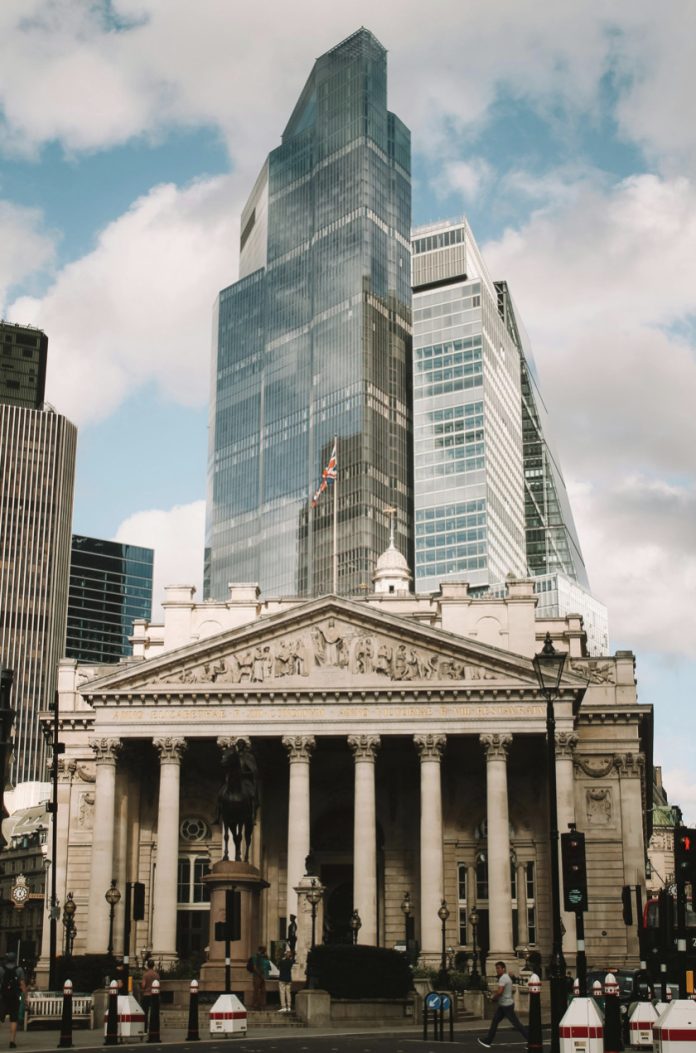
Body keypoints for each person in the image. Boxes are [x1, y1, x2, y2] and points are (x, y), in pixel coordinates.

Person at [477, 962, 528, 1048]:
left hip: (506, 1005)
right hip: (504, 1005)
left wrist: (493, 998)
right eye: (496, 968)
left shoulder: (503, 978)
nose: (497, 970)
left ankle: (531, 1040)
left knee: (517, 1024)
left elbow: (500, 992)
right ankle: (488, 1041)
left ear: (503, 969)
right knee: (495, 1021)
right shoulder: (507, 977)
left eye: (498, 968)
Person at [0, 950, 27, 1049]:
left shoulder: (1, 969)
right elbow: (22, 984)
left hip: (3, 997)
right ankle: (12, 1041)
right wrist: (25, 997)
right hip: (14, 997)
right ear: (15, 959)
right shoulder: (19, 970)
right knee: (14, 1019)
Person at [140, 959, 159, 1028]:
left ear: (147, 966)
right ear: (153, 965)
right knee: (154, 1012)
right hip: (154, 995)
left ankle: (145, 1027)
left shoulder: (145, 975)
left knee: (145, 1012)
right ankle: (153, 1027)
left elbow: (143, 985)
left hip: (146, 995)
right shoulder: (157, 975)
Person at [251, 945, 271, 1010]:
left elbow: (268, 966)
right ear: (261, 950)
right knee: (256, 990)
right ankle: (255, 1005)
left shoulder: (264, 957)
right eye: (264, 950)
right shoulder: (255, 956)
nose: (265, 952)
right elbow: (254, 967)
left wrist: (267, 959)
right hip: (257, 976)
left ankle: (262, 1005)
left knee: (263, 991)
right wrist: (260, 974)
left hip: (263, 976)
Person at [277, 948, 294, 1013]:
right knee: (288, 993)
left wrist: (283, 958)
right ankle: (289, 1006)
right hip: (288, 979)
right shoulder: (291, 962)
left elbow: (278, 966)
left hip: (282, 978)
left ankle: (283, 1007)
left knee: (282, 993)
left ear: (285, 955)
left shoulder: (282, 961)